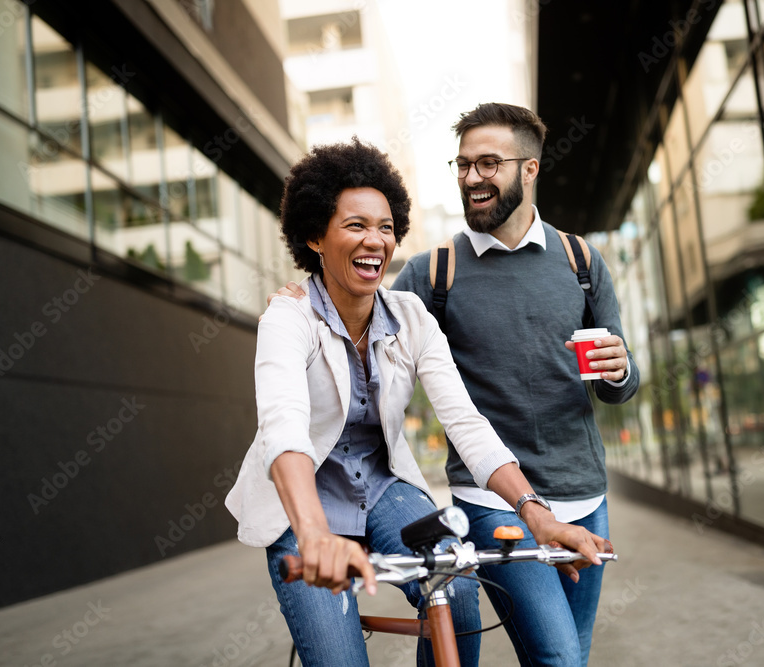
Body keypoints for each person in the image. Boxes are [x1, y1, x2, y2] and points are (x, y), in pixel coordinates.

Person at [272, 104, 639, 666]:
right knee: (558, 657)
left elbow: (465, 418)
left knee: (469, 597)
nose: (471, 177)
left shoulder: (579, 260)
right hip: (440, 502)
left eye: (385, 228)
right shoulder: (423, 278)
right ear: (313, 236)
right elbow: (285, 428)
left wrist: (620, 373)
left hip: (555, 491)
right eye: (463, 165)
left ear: (531, 168)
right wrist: (315, 533)